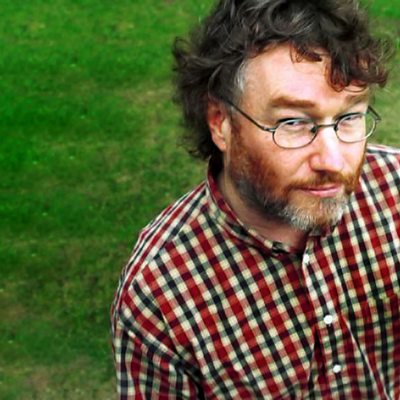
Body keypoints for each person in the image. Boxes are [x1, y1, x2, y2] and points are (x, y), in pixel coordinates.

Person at [111, 0, 399, 398]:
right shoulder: (160, 295)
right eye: (293, 123)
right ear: (221, 123)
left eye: (349, 118)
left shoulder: (395, 191)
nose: (333, 161)